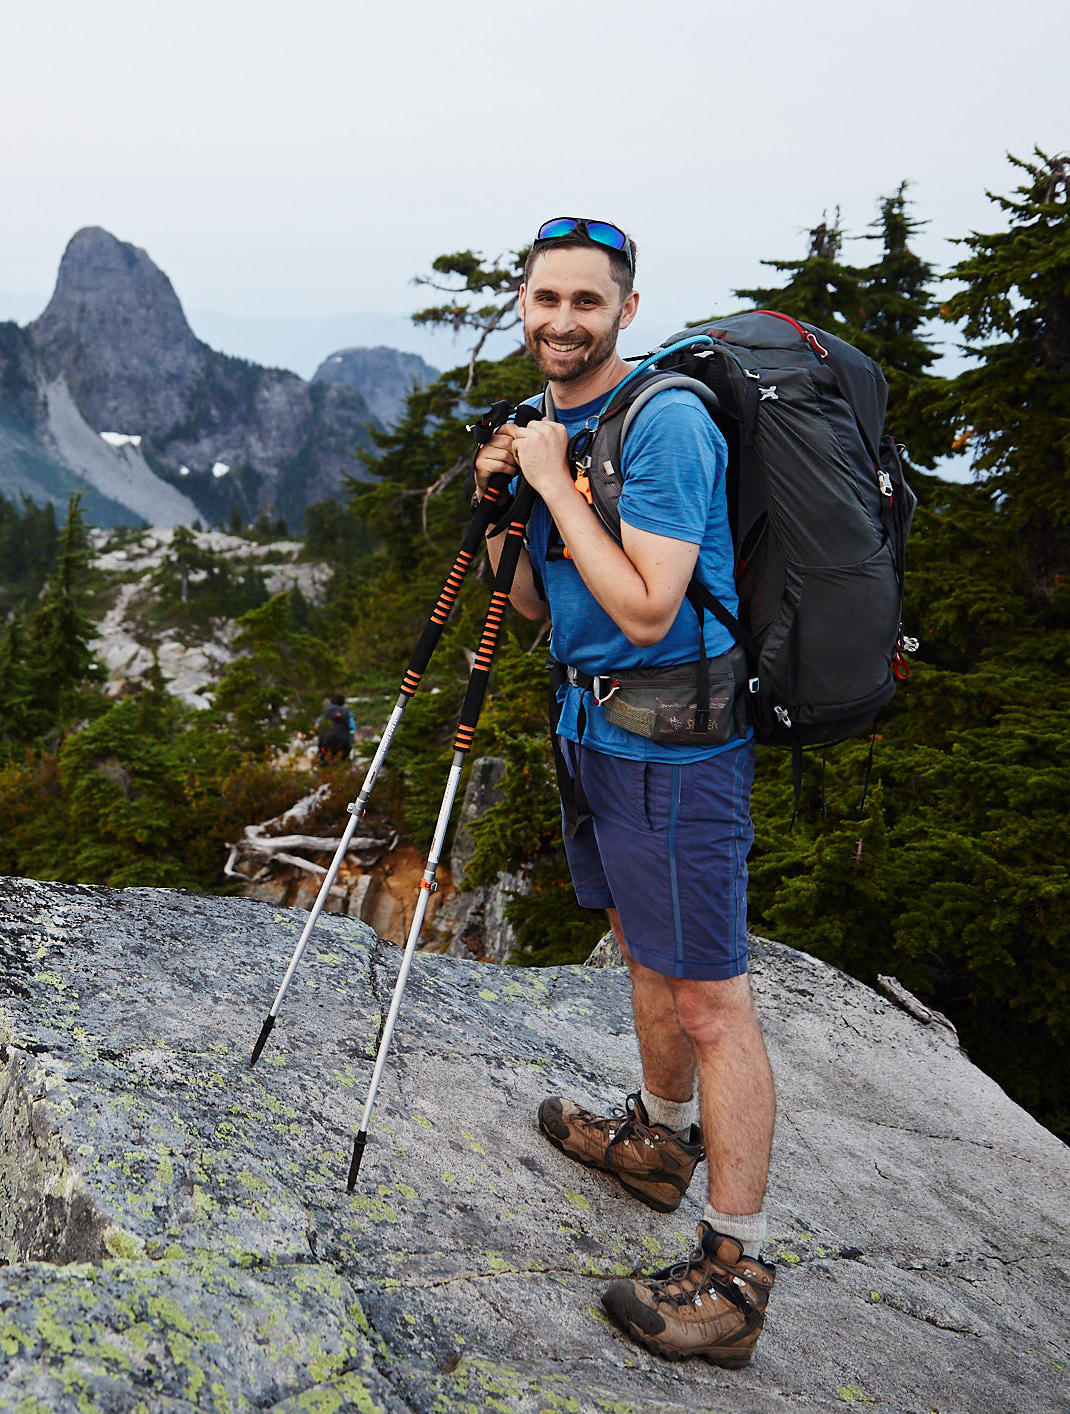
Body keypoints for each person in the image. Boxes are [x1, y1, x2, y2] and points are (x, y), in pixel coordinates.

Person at [473, 218, 776, 1370]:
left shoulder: (667, 424)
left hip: (680, 748)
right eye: (543, 298)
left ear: (626, 310)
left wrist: (551, 482)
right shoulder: (559, 428)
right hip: (591, 726)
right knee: (641, 950)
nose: (560, 320)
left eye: (584, 302)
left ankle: (736, 1275)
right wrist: (512, 505)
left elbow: (649, 607)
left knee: (712, 999)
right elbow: (551, 612)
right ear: (523, 302)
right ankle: (656, 1143)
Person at [315, 693, 356, 764]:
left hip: (326, 741)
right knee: (342, 762)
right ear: (343, 702)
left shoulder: (326, 712)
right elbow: (352, 729)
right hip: (342, 742)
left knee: (325, 761)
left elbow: (317, 726)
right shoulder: (346, 713)